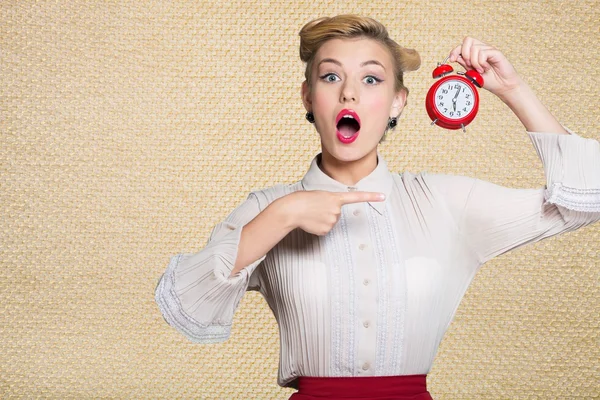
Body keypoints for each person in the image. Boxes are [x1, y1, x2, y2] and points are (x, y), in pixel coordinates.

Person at [154, 14, 600, 400]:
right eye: (330, 77)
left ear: (397, 102)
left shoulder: (447, 203)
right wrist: (283, 216)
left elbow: (583, 201)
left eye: (371, 79)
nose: (349, 93)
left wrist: (514, 90)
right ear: (309, 98)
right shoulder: (269, 207)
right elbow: (187, 302)